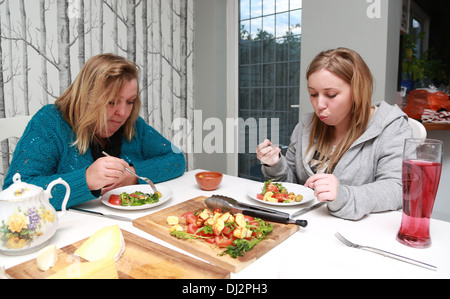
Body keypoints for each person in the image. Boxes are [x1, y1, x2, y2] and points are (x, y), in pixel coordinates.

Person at [3, 53, 185, 210]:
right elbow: (14, 193)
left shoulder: (133, 124)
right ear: (87, 98)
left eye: (130, 101)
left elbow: (176, 159)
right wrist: (86, 179)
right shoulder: (50, 122)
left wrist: (133, 174)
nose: (122, 113)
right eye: (112, 102)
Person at [256, 48, 412, 220]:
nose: (319, 104)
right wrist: (275, 164)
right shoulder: (306, 125)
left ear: (358, 92)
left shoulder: (392, 127)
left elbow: (398, 189)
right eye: (313, 94)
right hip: (305, 225)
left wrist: (343, 195)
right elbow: (292, 189)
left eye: (331, 94)